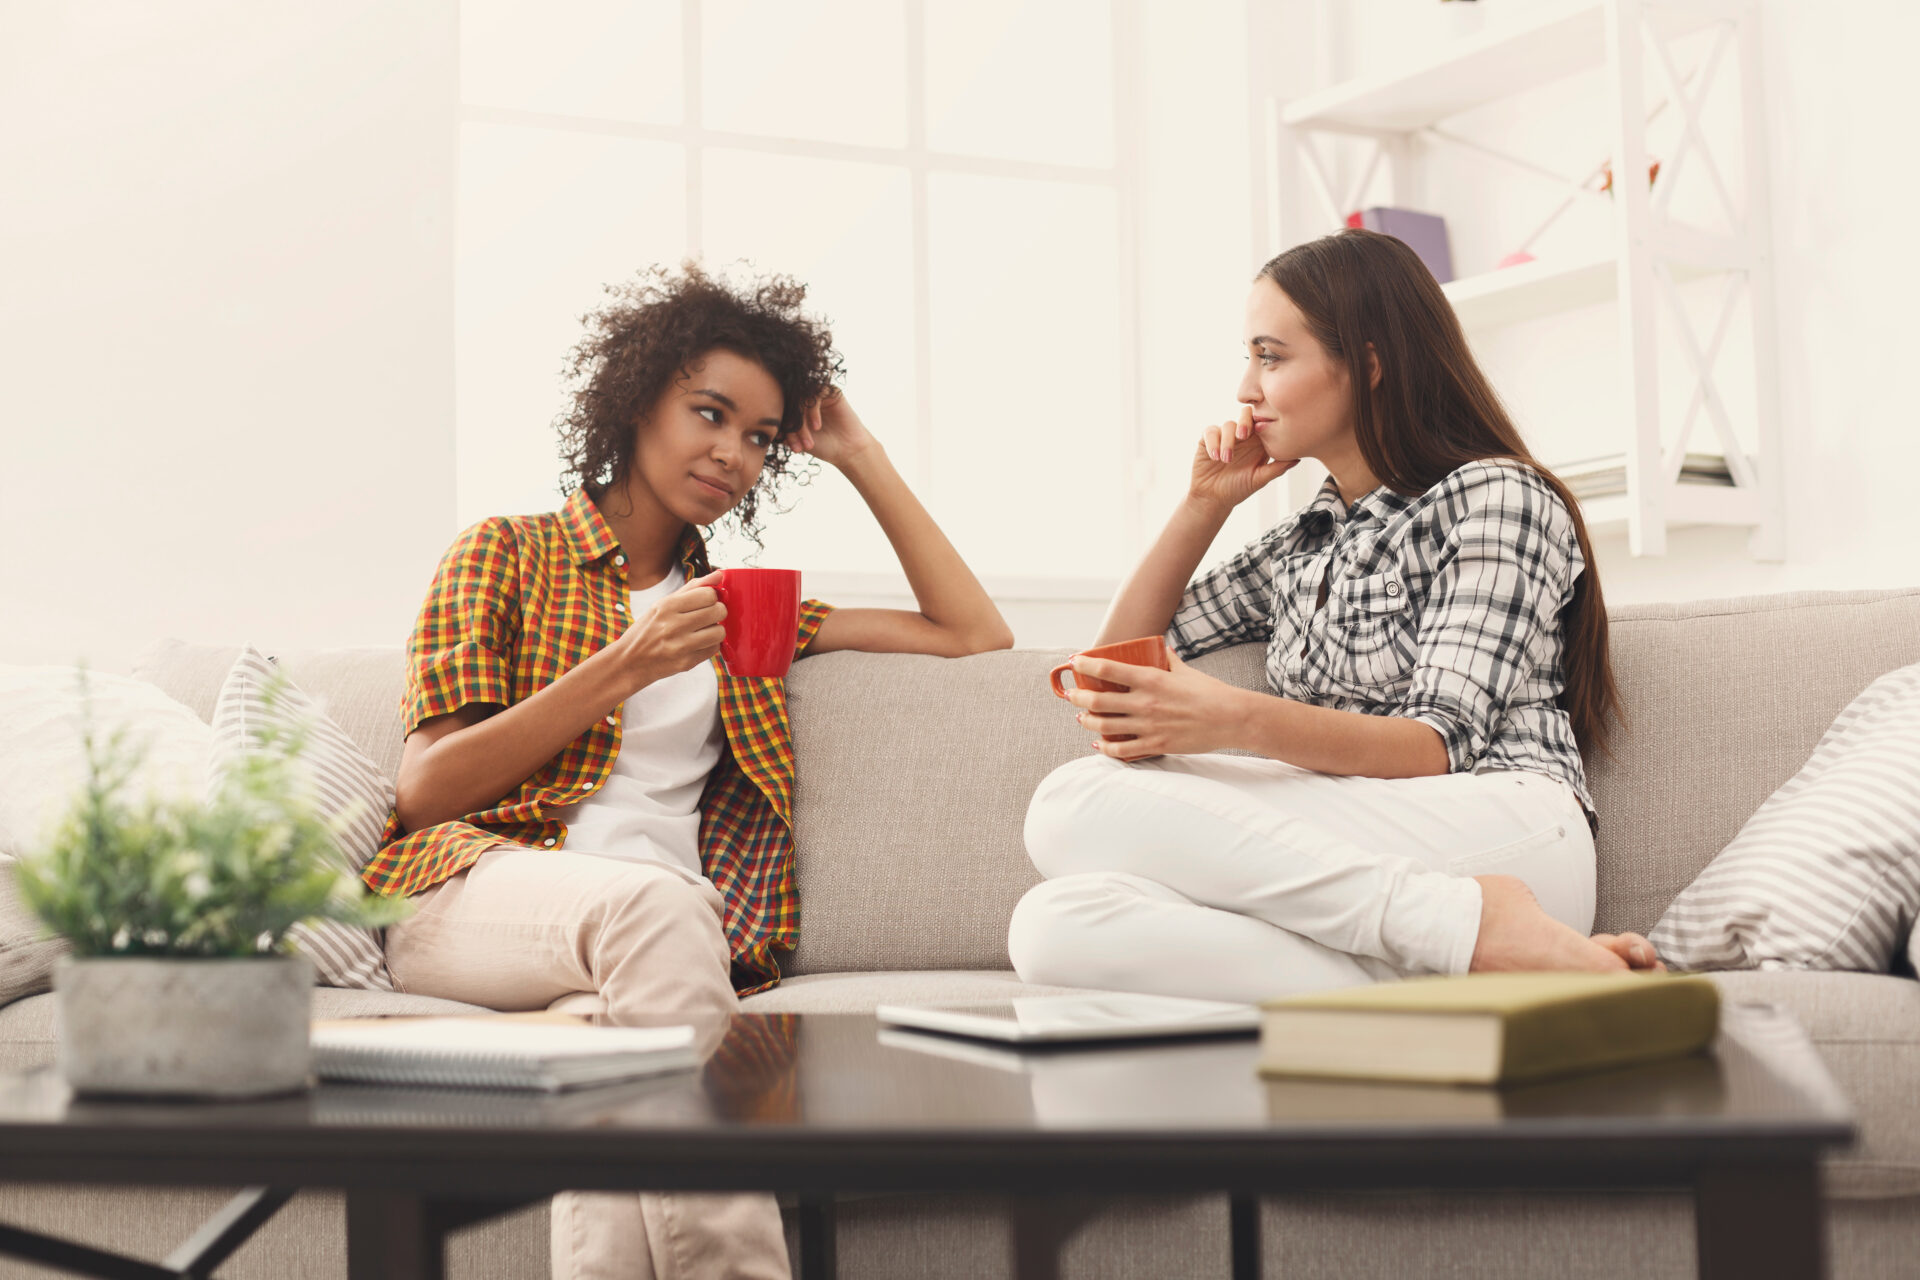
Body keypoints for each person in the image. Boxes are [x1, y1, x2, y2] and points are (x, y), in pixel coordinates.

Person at [370, 263, 1012, 1280]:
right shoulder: (502, 553)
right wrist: (626, 663)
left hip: (638, 956)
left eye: (760, 436)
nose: (734, 453)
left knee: (612, 1077)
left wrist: (859, 453)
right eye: (709, 413)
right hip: (471, 894)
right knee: (670, 911)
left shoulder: (739, 606)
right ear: (637, 400)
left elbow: (975, 636)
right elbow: (427, 789)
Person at [1008, 228, 1661, 1006]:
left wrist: (1234, 720)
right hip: (1365, 859)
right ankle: (1484, 963)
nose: (1245, 389)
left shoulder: (1497, 497)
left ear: (1371, 365)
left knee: (1070, 803)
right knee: (1053, 926)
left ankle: (1479, 926)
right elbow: (1112, 661)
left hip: (1502, 831)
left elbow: (1437, 743)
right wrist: (1201, 506)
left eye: (1271, 357)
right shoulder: (1302, 542)